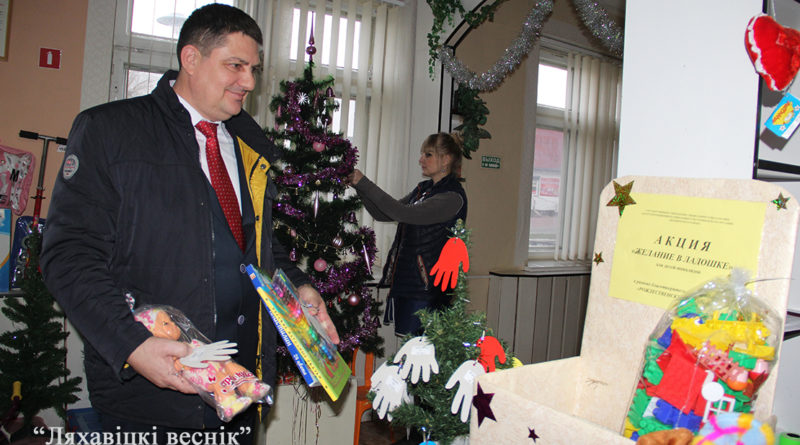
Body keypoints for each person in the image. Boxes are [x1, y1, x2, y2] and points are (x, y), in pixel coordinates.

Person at [40, 4, 338, 444]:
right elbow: (69, 256)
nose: (249, 82)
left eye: (253, 69)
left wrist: (300, 288)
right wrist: (132, 346)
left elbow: (255, 249)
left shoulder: (249, 145)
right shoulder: (110, 131)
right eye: (235, 66)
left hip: (239, 391)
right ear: (191, 58)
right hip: (151, 397)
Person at [347, 132, 467, 336]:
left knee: (420, 350)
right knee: (410, 348)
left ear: (446, 159)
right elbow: (383, 214)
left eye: (428, 155)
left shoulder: (451, 197)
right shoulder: (424, 189)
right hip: (410, 284)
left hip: (429, 290)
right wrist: (359, 186)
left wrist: (364, 182)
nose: (421, 160)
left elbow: (402, 213)